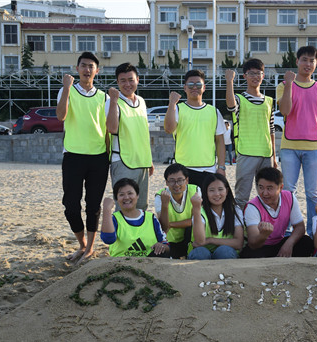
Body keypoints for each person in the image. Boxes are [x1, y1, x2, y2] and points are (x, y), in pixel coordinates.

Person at [56, 51, 109, 263]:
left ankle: (90, 248)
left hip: (98, 157)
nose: (87, 69)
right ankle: (82, 244)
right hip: (73, 155)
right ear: (77, 68)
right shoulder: (66, 90)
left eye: (91, 66)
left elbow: (108, 129)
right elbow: (61, 116)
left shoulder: (103, 97)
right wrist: (67, 88)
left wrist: (108, 155)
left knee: (93, 205)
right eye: (83, 65)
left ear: (97, 71)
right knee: (71, 205)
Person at [276, 46, 317, 236]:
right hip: (289, 147)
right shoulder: (284, 85)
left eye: (311, 61)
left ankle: (314, 232)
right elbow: (285, 110)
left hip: (315, 147)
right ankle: (287, 232)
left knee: (313, 193)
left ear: (316, 63)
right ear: (297, 61)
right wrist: (289, 85)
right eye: (304, 60)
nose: (308, 64)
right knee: (288, 191)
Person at [226, 58, 278, 210]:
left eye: (258, 73)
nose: (255, 76)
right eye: (251, 73)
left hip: (266, 153)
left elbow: (271, 129)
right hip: (246, 152)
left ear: (263, 75)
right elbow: (230, 106)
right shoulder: (239, 99)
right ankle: (241, 223)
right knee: (242, 196)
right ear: (245, 76)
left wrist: (274, 156)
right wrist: (229, 82)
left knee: (268, 195)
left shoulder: (269, 101)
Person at [164, 69, 226, 189]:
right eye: (190, 84)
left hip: (208, 169)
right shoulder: (178, 109)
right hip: (183, 170)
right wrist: (171, 103)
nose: (194, 87)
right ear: (185, 88)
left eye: (198, 84)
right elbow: (168, 129)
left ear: (204, 87)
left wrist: (221, 167)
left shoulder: (214, 111)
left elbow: (220, 141)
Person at [106, 62, 153, 211]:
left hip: (142, 161)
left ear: (137, 80)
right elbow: (111, 128)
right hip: (122, 161)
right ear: (117, 82)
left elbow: (143, 132)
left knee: (141, 205)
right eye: (123, 81)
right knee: (124, 205)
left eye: (131, 80)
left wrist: (149, 160)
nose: (127, 84)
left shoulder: (141, 101)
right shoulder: (112, 102)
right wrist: (114, 101)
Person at [241, 167, 314, 258]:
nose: (264, 193)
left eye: (269, 188)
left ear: (281, 188)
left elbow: (300, 227)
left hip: (280, 242)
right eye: (261, 187)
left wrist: (289, 243)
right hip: (261, 246)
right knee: (251, 254)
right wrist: (263, 235)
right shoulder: (252, 207)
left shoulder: (289, 197)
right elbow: (253, 243)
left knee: (306, 242)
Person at [101, 178, 169, 257]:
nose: (126, 197)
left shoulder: (151, 218)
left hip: (149, 261)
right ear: (117, 199)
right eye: (121, 194)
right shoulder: (114, 219)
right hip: (121, 262)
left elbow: (166, 245)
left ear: (137, 195)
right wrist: (106, 209)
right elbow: (108, 239)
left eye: (130, 193)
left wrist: (161, 246)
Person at [187, 174, 244, 260]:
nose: (217, 194)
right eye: (211, 190)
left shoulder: (235, 210)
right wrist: (196, 209)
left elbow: (238, 243)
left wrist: (211, 240)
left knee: (225, 251)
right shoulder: (200, 210)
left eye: (220, 189)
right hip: (202, 252)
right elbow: (200, 241)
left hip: (225, 252)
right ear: (206, 192)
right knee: (200, 253)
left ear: (227, 191)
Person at [155, 163, 202, 258]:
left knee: (190, 229)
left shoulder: (195, 191)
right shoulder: (160, 196)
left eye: (180, 180)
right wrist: (165, 205)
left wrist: (171, 225)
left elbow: (195, 221)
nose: (176, 185)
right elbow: (164, 227)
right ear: (166, 182)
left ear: (187, 180)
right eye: (172, 181)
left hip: (189, 239)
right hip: (170, 241)